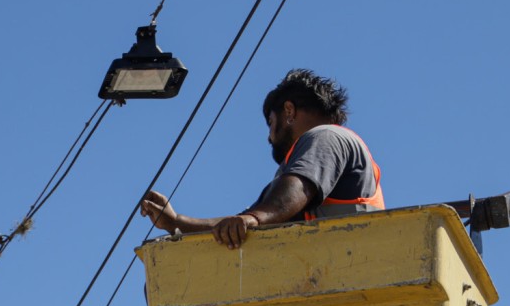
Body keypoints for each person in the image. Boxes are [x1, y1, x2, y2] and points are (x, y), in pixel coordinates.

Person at [140, 69, 384, 249]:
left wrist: (253, 218)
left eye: (270, 123)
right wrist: (175, 222)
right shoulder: (283, 193)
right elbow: (234, 226)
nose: (269, 137)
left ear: (289, 111)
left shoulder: (327, 137)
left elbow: (295, 191)